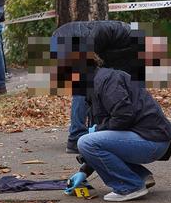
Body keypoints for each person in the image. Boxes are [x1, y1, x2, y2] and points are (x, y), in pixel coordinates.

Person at [63, 54, 171, 202]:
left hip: (152, 141)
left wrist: (98, 130)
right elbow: (104, 141)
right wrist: (83, 171)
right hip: (150, 138)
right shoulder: (95, 85)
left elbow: (123, 115)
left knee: (85, 142)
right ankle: (140, 176)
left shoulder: (106, 81)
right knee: (89, 141)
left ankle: (130, 186)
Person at [52, 20, 145, 153]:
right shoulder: (129, 40)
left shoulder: (124, 37)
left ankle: (87, 134)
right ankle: (76, 136)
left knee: (90, 87)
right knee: (83, 89)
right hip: (73, 39)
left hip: (65, 36)